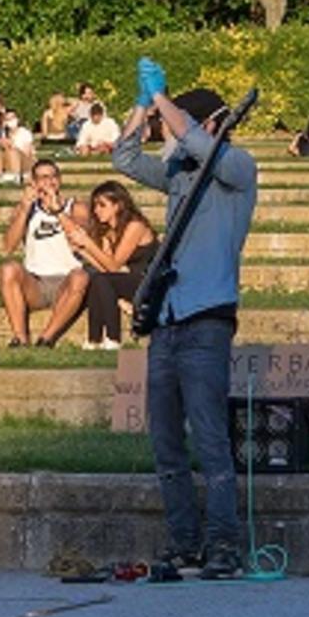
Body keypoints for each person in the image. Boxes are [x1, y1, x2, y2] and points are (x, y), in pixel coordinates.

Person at [112, 70, 259, 582]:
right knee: (167, 442)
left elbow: (199, 140)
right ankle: (184, 541)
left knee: (212, 440)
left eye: (181, 125)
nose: (172, 134)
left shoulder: (237, 166)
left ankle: (223, 544)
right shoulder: (178, 174)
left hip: (207, 318)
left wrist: (161, 98)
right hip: (168, 319)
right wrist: (139, 107)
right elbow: (124, 159)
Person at [0, 158, 89, 347]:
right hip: (36, 282)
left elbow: (80, 241)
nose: (49, 182)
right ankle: (20, 337)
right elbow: (8, 247)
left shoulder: (76, 207)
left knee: (80, 277)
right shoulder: (27, 209)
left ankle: (47, 338)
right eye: (42, 178)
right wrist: (24, 209)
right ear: (34, 183)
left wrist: (58, 212)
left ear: (60, 180)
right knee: (9, 268)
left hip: (68, 281)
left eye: (53, 176)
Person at [68, 180, 158, 350]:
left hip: (149, 282)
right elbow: (106, 268)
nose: (96, 210)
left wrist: (88, 243)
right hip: (128, 279)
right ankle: (94, 339)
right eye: (95, 205)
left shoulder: (135, 226)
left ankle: (113, 338)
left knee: (102, 280)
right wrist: (83, 251)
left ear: (117, 206)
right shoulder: (109, 232)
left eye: (102, 205)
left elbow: (115, 266)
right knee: (97, 279)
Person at [0, 108, 36, 183]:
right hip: (9, 161)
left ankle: (16, 177)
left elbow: (28, 153)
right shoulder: (3, 133)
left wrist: (12, 145)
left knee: (13, 152)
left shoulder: (24, 133)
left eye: (12, 118)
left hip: (25, 162)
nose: (10, 121)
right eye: (7, 119)